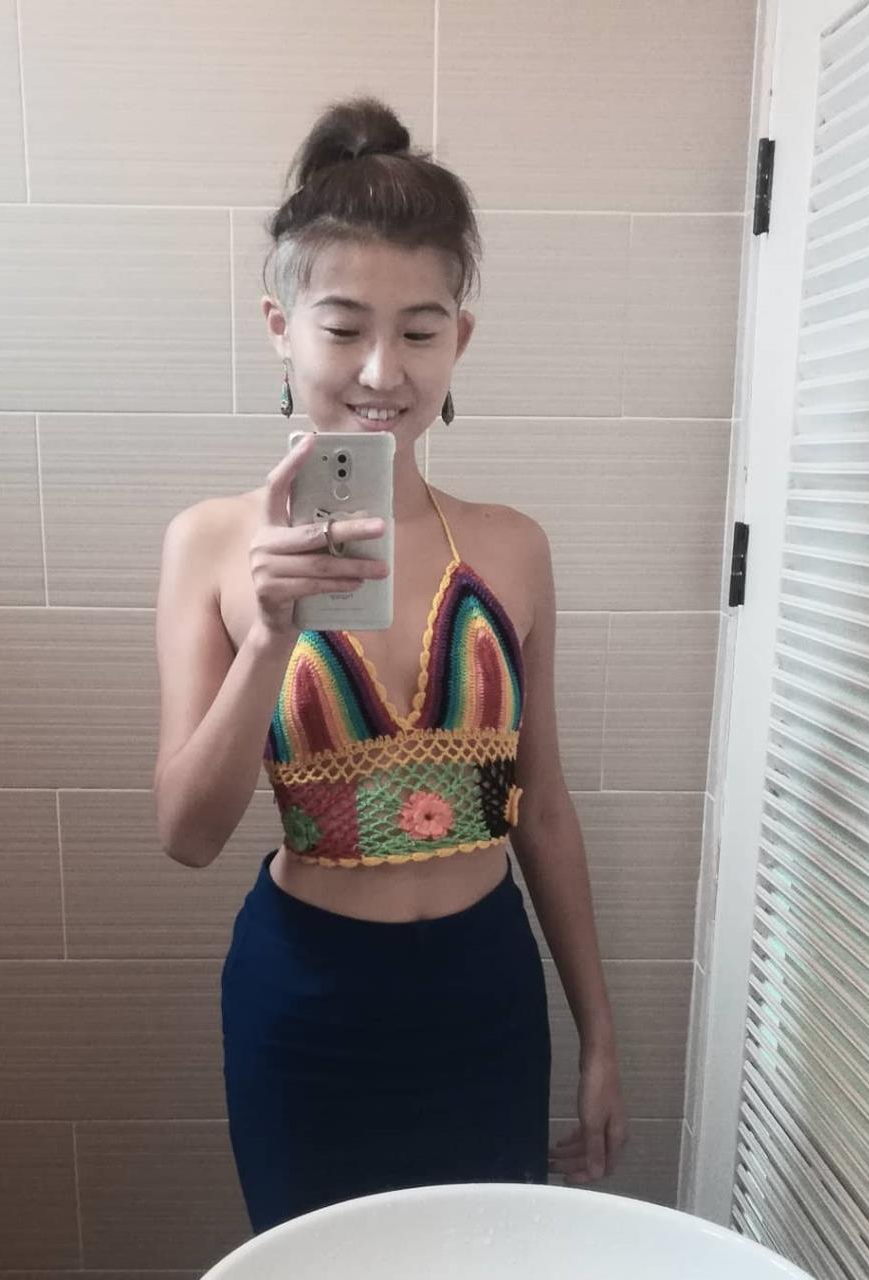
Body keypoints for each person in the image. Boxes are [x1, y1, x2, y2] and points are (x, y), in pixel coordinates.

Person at [153, 95, 629, 1236]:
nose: (381, 369)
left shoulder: (512, 546)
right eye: (343, 327)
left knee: (486, 1257)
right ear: (280, 327)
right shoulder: (212, 544)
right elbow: (188, 831)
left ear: (460, 339)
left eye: (419, 331)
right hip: (306, 1000)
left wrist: (601, 1035)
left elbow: (543, 808)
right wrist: (268, 636)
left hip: (485, 987)